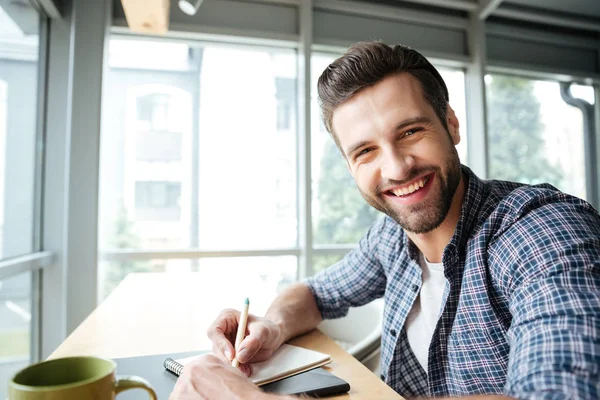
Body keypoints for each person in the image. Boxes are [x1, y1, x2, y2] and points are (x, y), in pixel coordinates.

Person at [169, 41, 600, 400]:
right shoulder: (392, 237)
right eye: (366, 151)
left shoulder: (541, 229)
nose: (395, 168)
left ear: (451, 123)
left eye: (410, 132)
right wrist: (271, 326)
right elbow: (316, 294)